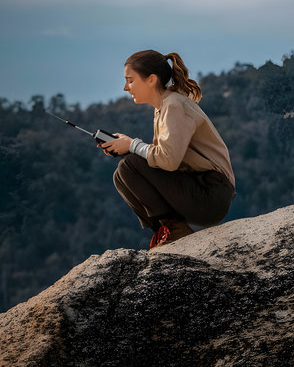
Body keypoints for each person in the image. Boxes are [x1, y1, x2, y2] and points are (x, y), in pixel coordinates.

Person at [98, 50, 236, 249]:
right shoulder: (164, 106)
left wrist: (132, 145)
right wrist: (128, 148)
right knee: (121, 174)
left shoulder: (174, 105)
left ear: (151, 79)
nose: (125, 88)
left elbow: (168, 160)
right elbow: (164, 158)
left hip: (210, 194)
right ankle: (167, 231)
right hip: (198, 189)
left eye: (130, 81)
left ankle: (176, 231)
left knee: (129, 166)